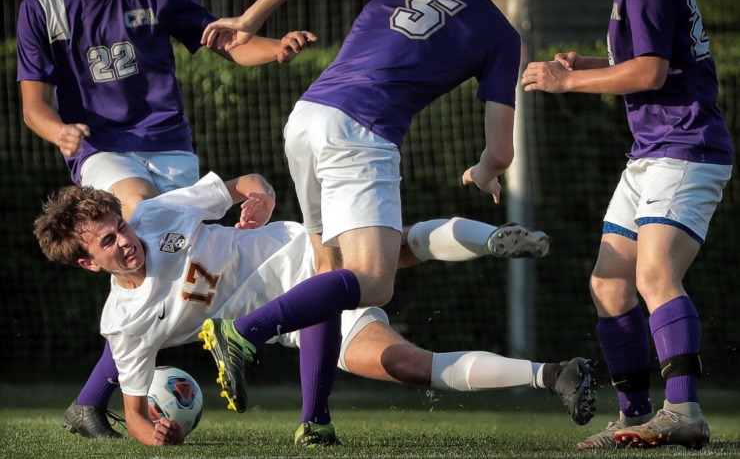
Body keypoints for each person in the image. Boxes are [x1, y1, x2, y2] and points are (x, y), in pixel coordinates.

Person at [34, 171, 595, 446]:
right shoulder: (124, 325)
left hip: (302, 250)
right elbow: (133, 410)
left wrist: (261, 197)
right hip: (294, 328)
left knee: (392, 251)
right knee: (404, 364)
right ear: (87, 264)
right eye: (106, 243)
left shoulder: (158, 215)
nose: (125, 241)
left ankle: (494, 239)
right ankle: (551, 375)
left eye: (120, 226)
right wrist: (155, 434)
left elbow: (244, 183)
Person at [199, 0, 530, 428]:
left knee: (327, 270)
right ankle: (242, 333)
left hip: (308, 115)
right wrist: (483, 172)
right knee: (373, 282)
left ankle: (315, 421)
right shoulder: (501, 34)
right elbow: (501, 153)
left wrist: (249, 18)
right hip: (363, 131)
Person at [16, 0, 315, 437]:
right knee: (140, 215)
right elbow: (32, 105)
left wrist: (274, 49)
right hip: (102, 149)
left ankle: (89, 403)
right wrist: (59, 131)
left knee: (168, 272)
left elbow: (224, 39)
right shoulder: (43, 7)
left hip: (171, 145)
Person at [521, 0, 733, 451]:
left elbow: (651, 72)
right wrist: (591, 64)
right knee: (609, 284)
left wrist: (570, 80)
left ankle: (683, 412)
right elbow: (648, 60)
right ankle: (633, 415)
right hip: (651, 154)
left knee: (655, 275)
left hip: (685, 150)